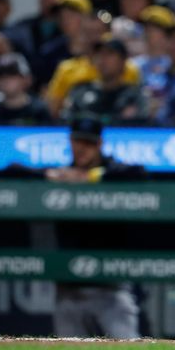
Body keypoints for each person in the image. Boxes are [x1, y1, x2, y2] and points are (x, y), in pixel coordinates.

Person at [46, 114, 146, 338]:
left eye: (89, 143)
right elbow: (13, 168)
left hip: (111, 287)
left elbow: (138, 171)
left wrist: (89, 177)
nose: (82, 149)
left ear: (99, 144)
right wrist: (52, 175)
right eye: (77, 142)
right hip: (68, 289)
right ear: (70, 141)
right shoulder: (61, 172)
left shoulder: (112, 171)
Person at [0, 52, 51, 125]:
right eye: (0, 75)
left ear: (26, 79)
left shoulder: (39, 112)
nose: (5, 80)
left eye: (12, 74)